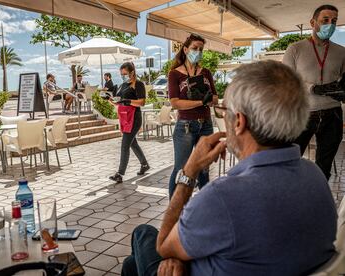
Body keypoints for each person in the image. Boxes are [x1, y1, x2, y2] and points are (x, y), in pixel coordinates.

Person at [121, 61, 337, 276]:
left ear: (239, 122)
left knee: (143, 233)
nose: (224, 116)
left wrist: (190, 170)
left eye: (225, 110)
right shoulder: (315, 175)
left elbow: (164, 246)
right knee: (132, 265)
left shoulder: (222, 198)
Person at [283, 4, 345, 180]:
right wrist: (313, 88)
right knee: (290, 163)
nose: (330, 25)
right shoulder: (295, 49)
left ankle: (317, 203)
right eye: (325, 20)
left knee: (323, 169)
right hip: (303, 113)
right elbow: (286, 80)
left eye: (334, 21)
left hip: (333, 114)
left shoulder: (342, 52)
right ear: (313, 22)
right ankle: (289, 200)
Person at [167, 33, 217, 198]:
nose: (198, 52)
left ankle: (204, 206)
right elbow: (175, 102)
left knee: (204, 168)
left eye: (201, 49)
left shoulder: (206, 73)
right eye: (195, 48)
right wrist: (201, 102)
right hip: (185, 126)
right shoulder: (175, 74)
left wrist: (210, 100)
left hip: (206, 125)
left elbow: (215, 98)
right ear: (186, 49)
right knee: (181, 168)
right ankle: (174, 212)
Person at [108, 62, 150, 183]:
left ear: (132, 72)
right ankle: (144, 164)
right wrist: (110, 100)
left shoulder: (138, 84)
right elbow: (118, 102)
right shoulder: (122, 85)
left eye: (125, 74)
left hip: (134, 118)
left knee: (125, 144)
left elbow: (142, 102)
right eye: (121, 74)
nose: (123, 76)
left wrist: (128, 101)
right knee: (133, 143)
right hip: (124, 117)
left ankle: (120, 173)